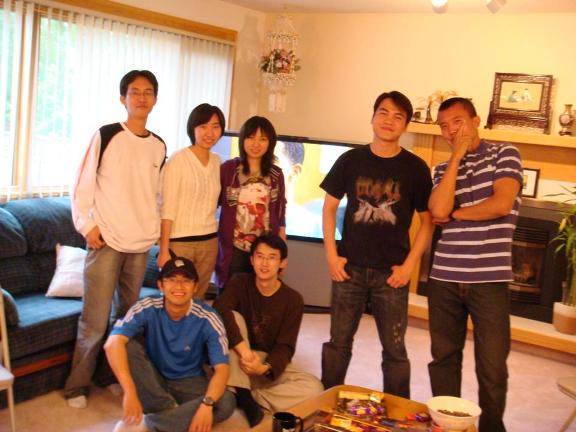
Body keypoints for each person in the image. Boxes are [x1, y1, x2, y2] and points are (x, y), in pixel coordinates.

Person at [320, 91, 434, 399]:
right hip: (349, 269)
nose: (389, 121)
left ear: (406, 126)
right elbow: (329, 208)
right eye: (383, 113)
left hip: (392, 274)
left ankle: (398, 411)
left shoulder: (416, 168)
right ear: (372, 117)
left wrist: (409, 266)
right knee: (338, 343)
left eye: (398, 117)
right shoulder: (350, 160)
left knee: (395, 351)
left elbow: (428, 222)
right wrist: (331, 255)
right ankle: (325, 402)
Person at [65, 70, 166, 408]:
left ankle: (109, 377)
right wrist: (86, 226)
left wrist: (153, 232)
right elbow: (81, 184)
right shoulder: (107, 135)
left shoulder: (158, 145)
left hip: (140, 246)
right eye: (135, 92)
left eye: (148, 92)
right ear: (123, 98)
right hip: (106, 241)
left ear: (155, 99)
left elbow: (157, 195)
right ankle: (76, 386)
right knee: (94, 321)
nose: (141, 97)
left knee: (125, 320)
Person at [427, 97, 523, 432]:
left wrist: (457, 214)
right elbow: (437, 211)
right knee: (443, 360)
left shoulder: (504, 153)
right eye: (444, 126)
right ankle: (447, 426)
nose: (451, 131)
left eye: (457, 122)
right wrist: (456, 157)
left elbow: (501, 204)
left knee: (492, 367)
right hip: (444, 277)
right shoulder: (442, 170)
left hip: (489, 279)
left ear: (475, 121)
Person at [104, 255, 235, 432]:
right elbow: (112, 344)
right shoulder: (147, 305)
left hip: (189, 381)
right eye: (171, 280)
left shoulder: (208, 317)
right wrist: (129, 391)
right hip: (151, 378)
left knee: (226, 401)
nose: (179, 286)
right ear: (160, 285)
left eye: (186, 281)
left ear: (195, 286)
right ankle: (173, 415)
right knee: (125, 345)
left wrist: (206, 405)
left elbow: (222, 369)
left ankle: (150, 423)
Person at [213, 233, 323, 427]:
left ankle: (248, 396)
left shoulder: (293, 299)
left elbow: (285, 346)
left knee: (314, 388)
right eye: (260, 256)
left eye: (271, 257)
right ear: (251, 259)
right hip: (238, 356)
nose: (264, 263)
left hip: (264, 364)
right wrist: (245, 353)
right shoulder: (240, 282)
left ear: (283, 263)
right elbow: (219, 308)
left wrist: (264, 368)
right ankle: (244, 395)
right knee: (232, 318)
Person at [158, 103, 226, 299]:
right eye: (203, 126)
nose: (209, 133)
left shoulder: (217, 162)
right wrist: (164, 250)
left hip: (209, 242)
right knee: (176, 298)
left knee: (198, 298)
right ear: (192, 128)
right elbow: (167, 208)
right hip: (180, 243)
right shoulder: (178, 160)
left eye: (215, 127)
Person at [216, 116, 287, 290]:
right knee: (230, 294)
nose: (256, 144)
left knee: (261, 295)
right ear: (242, 140)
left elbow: (280, 214)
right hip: (234, 248)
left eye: (263, 139)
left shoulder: (276, 175)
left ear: (270, 143)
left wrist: (282, 253)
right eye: (250, 137)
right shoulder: (228, 170)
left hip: (265, 251)